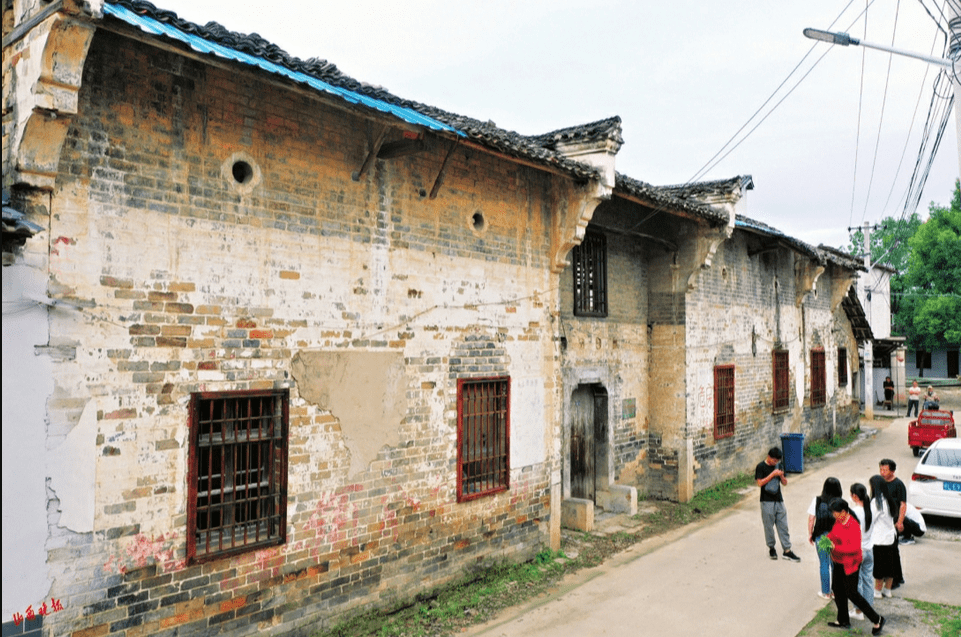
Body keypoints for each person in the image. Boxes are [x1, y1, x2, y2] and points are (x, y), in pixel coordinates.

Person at [825, 498, 885, 634]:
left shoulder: (853, 525)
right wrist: (828, 540)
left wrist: (835, 548)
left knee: (852, 593)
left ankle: (877, 619)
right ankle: (843, 620)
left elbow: (853, 548)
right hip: (838, 562)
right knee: (837, 589)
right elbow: (833, 534)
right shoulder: (839, 521)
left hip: (850, 564)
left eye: (835, 513)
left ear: (843, 512)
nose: (834, 515)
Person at [756, 447, 801, 562]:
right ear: (769, 457)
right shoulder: (761, 467)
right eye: (774, 460)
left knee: (783, 525)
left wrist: (781, 475)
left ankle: (787, 550)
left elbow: (785, 483)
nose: (775, 462)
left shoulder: (779, 466)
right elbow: (760, 483)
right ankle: (771, 547)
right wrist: (772, 474)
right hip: (766, 501)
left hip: (779, 500)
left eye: (777, 461)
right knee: (768, 526)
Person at [809, 477, 843, 599]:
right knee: (835, 564)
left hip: (822, 536)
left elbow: (811, 519)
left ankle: (826, 592)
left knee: (824, 564)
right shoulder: (841, 503)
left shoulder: (817, 500)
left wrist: (810, 534)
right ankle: (835, 591)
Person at [879, 459, 907, 589]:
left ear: (892, 471)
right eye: (881, 469)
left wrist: (900, 522)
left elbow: (903, 505)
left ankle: (895, 580)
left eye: (885, 470)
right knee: (885, 550)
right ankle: (896, 576)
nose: (882, 472)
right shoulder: (879, 483)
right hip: (882, 522)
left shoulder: (898, 484)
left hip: (893, 522)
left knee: (892, 551)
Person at [869, 475, 898, 599]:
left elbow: (870, 519)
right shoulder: (889, 500)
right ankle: (888, 590)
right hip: (890, 537)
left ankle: (877, 591)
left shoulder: (876, 503)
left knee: (879, 566)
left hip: (879, 539)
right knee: (890, 566)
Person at [849, 483, 875, 616]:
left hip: (858, 550)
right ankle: (868, 609)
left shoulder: (855, 512)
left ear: (854, 496)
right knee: (868, 579)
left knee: (857, 581)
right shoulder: (871, 509)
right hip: (869, 549)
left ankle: (858, 611)